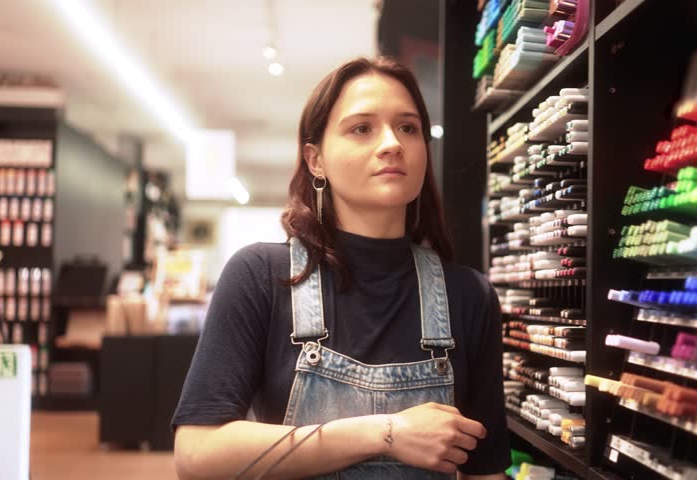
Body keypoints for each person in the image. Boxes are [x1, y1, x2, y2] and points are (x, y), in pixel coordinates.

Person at [172, 57, 510, 479]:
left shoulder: (469, 296)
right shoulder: (262, 276)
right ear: (315, 160)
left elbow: (484, 470)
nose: (392, 143)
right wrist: (386, 432)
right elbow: (197, 454)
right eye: (361, 128)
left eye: (408, 127)